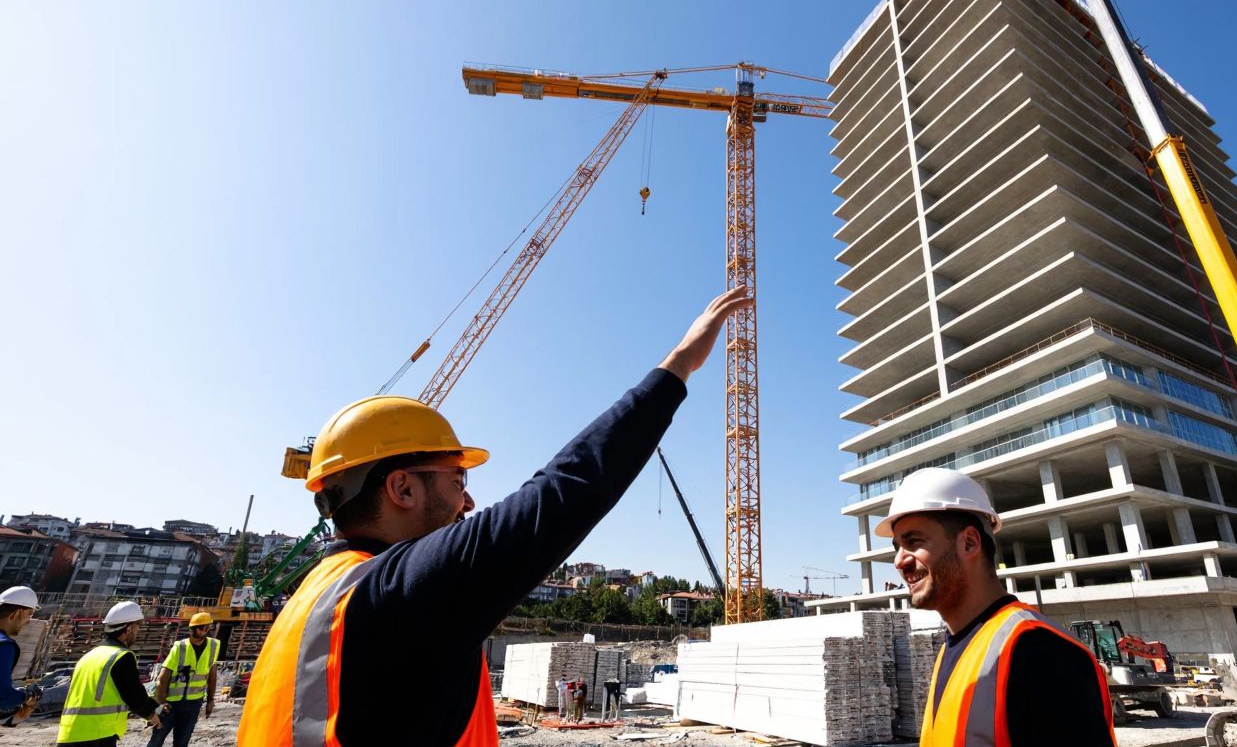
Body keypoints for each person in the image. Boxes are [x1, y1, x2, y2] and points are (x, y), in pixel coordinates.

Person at [239, 287, 753, 746]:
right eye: (457, 480)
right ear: (401, 487)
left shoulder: (311, 599)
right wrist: (679, 364)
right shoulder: (399, 593)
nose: (468, 503)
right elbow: (564, 490)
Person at [879, 468, 1115, 747]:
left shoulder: (1039, 652)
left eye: (914, 542)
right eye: (897, 547)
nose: (898, 561)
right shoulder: (952, 650)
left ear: (969, 542)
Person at [57, 600, 165, 746]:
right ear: (129, 629)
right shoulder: (121, 656)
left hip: (69, 733)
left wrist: (155, 706)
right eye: (137, 627)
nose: (137, 632)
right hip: (98, 734)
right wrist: (151, 715)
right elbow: (134, 696)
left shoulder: (90, 655)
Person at [148, 612, 221, 747]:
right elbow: (163, 678)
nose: (204, 632)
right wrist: (161, 703)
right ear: (193, 629)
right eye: (201, 628)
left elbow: (212, 675)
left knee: (182, 742)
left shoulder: (213, 646)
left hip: (193, 705)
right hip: (171, 704)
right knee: (157, 740)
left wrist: (210, 700)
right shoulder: (180, 647)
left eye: (206, 628)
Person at [0, 586, 42, 727]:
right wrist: (27, 695)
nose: (29, 621)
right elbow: (2, 696)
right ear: (15, 614)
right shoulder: (4, 645)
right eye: (29, 614)